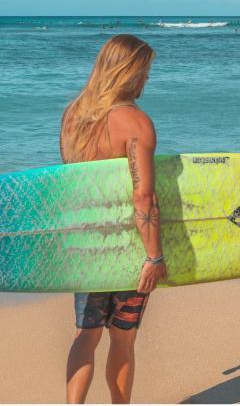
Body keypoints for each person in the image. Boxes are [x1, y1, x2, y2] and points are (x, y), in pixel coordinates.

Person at [60, 34, 167, 404]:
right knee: (123, 337)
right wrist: (154, 256)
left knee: (85, 335)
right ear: (129, 72)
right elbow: (143, 196)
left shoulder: (72, 114)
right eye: (146, 71)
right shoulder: (135, 122)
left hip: (84, 245)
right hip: (125, 248)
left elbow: (73, 180)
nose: (148, 80)